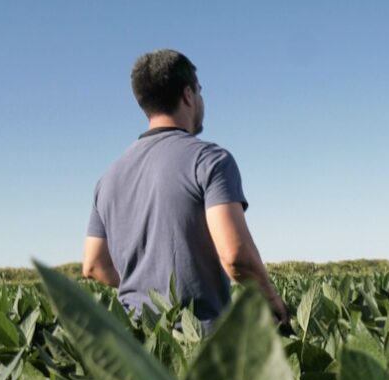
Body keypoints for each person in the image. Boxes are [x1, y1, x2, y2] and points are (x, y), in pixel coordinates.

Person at [83, 49, 287, 332]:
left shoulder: (108, 178)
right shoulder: (210, 160)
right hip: (199, 346)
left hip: (136, 343)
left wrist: (148, 292)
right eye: (200, 91)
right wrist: (273, 301)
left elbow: (93, 265)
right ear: (188, 95)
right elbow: (235, 256)